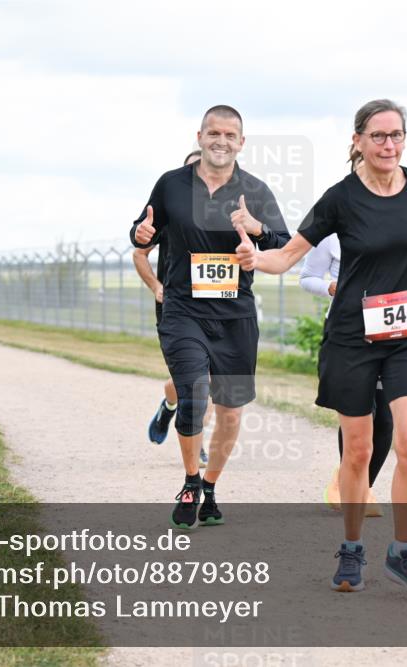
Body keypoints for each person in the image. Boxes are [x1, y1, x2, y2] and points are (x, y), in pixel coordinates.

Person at [236, 99, 407, 599]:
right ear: (357, 140)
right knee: (358, 450)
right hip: (351, 339)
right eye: (378, 136)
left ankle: (404, 551)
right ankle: (352, 547)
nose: (389, 145)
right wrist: (255, 258)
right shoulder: (339, 198)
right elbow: (288, 256)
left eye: (397, 135)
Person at [131, 105, 290, 530]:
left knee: (231, 411)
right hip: (183, 310)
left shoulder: (255, 190)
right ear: (199, 136)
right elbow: (142, 229)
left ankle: (211, 486)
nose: (221, 141)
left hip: (235, 315)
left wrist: (256, 230)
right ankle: (189, 482)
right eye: (213, 133)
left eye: (230, 135)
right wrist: (139, 233)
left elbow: (283, 246)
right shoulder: (171, 184)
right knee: (194, 394)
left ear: (241, 142)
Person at [300, 205, 407, 517]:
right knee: (360, 413)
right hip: (349, 332)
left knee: (385, 418)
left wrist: (405, 299)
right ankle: (354, 489)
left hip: (394, 331)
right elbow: (307, 277)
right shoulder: (333, 230)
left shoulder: (403, 226)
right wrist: (331, 287)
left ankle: (360, 487)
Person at [134, 149, 211, 467]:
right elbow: (139, 254)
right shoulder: (170, 214)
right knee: (191, 381)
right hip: (176, 307)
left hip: (217, 309)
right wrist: (156, 287)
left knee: (210, 380)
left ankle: (192, 435)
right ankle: (170, 409)